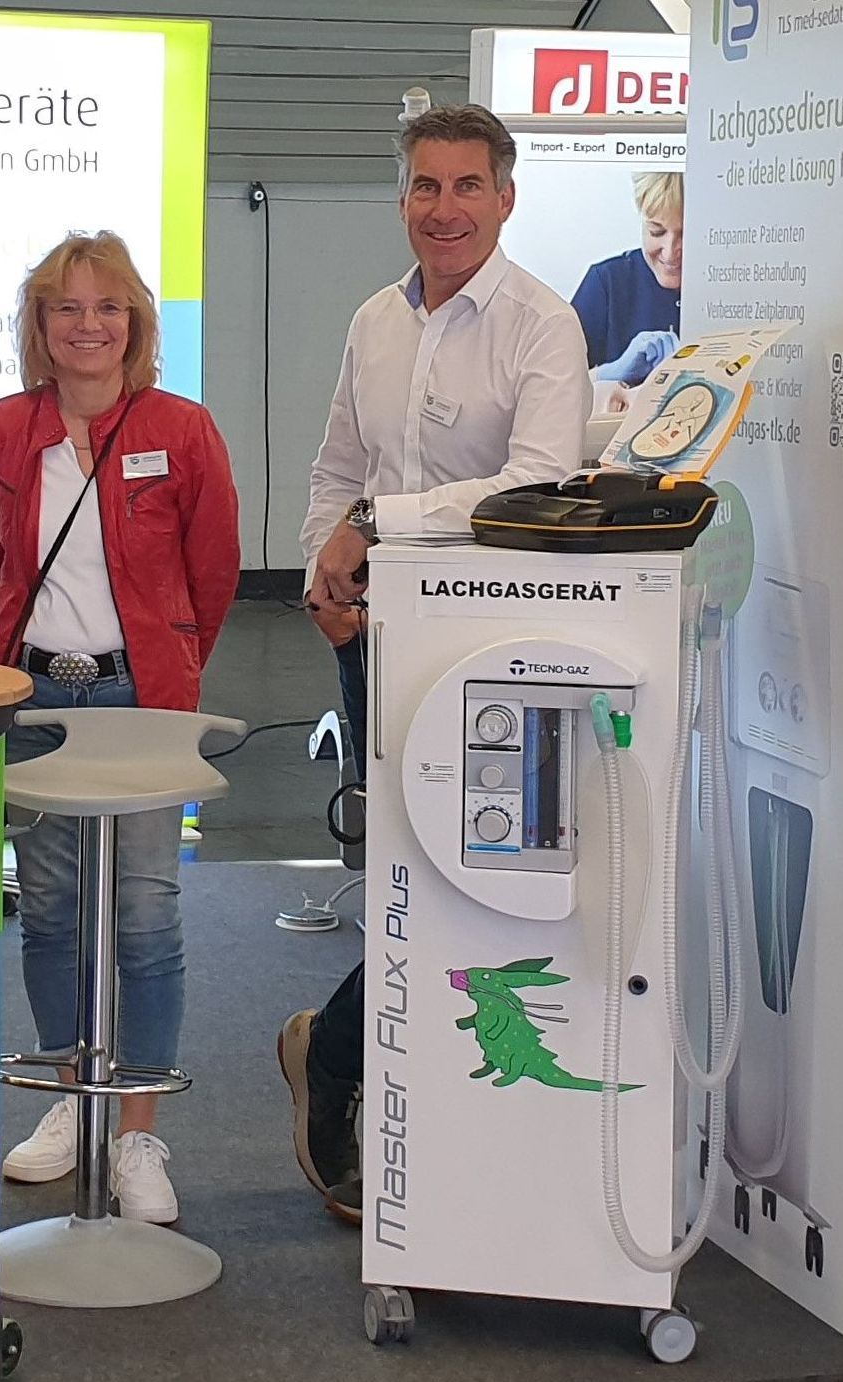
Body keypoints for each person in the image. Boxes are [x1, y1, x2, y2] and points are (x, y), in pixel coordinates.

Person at [286, 103, 592, 1225]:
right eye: (426, 185)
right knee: (396, 875)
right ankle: (400, 1103)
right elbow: (337, 467)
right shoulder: (375, 320)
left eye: (467, 186)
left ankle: (333, 1053)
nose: (444, 208)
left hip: (492, 649)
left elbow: (536, 482)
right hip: (376, 640)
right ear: (402, 196)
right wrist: (323, 580)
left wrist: (378, 522)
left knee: (472, 889)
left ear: (504, 199)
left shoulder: (541, 323)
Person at [0, 232, 239, 1224]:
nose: (88, 326)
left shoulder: (182, 428)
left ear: (136, 323)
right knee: (48, 911)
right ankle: (68, 1100)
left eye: (108, 307)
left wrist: (166, 667)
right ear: (40, 325)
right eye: (67, 308)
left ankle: (134, 1129)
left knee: (143, 913)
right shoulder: (2, 430)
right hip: (35, 700)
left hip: (140, 702)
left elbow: (213, 575)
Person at [572, 171, 683, 390]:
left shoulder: (731, 285)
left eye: (686, 234)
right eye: (656, 232)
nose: (670, 252)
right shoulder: (607, 284)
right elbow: (551, 389)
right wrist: (609, 373)